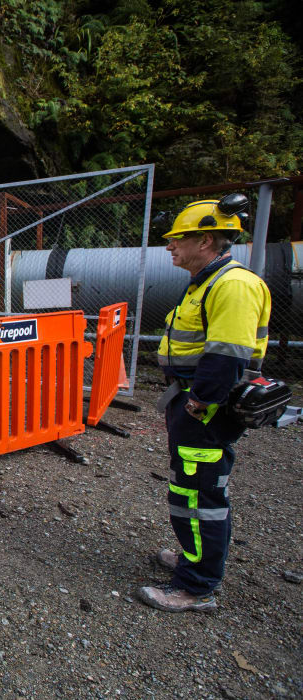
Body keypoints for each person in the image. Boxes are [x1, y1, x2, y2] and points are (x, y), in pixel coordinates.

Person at [139, 195, 271, 613]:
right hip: (193, 401)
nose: (170, 246)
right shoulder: (207, 281)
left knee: (200, 494)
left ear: (207, 240)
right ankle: (193, 558)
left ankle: (196, 586)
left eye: (179, 239)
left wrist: (199, 403)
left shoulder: (232, 285)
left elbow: (227, 355)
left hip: (206, 408)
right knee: (189, 486)